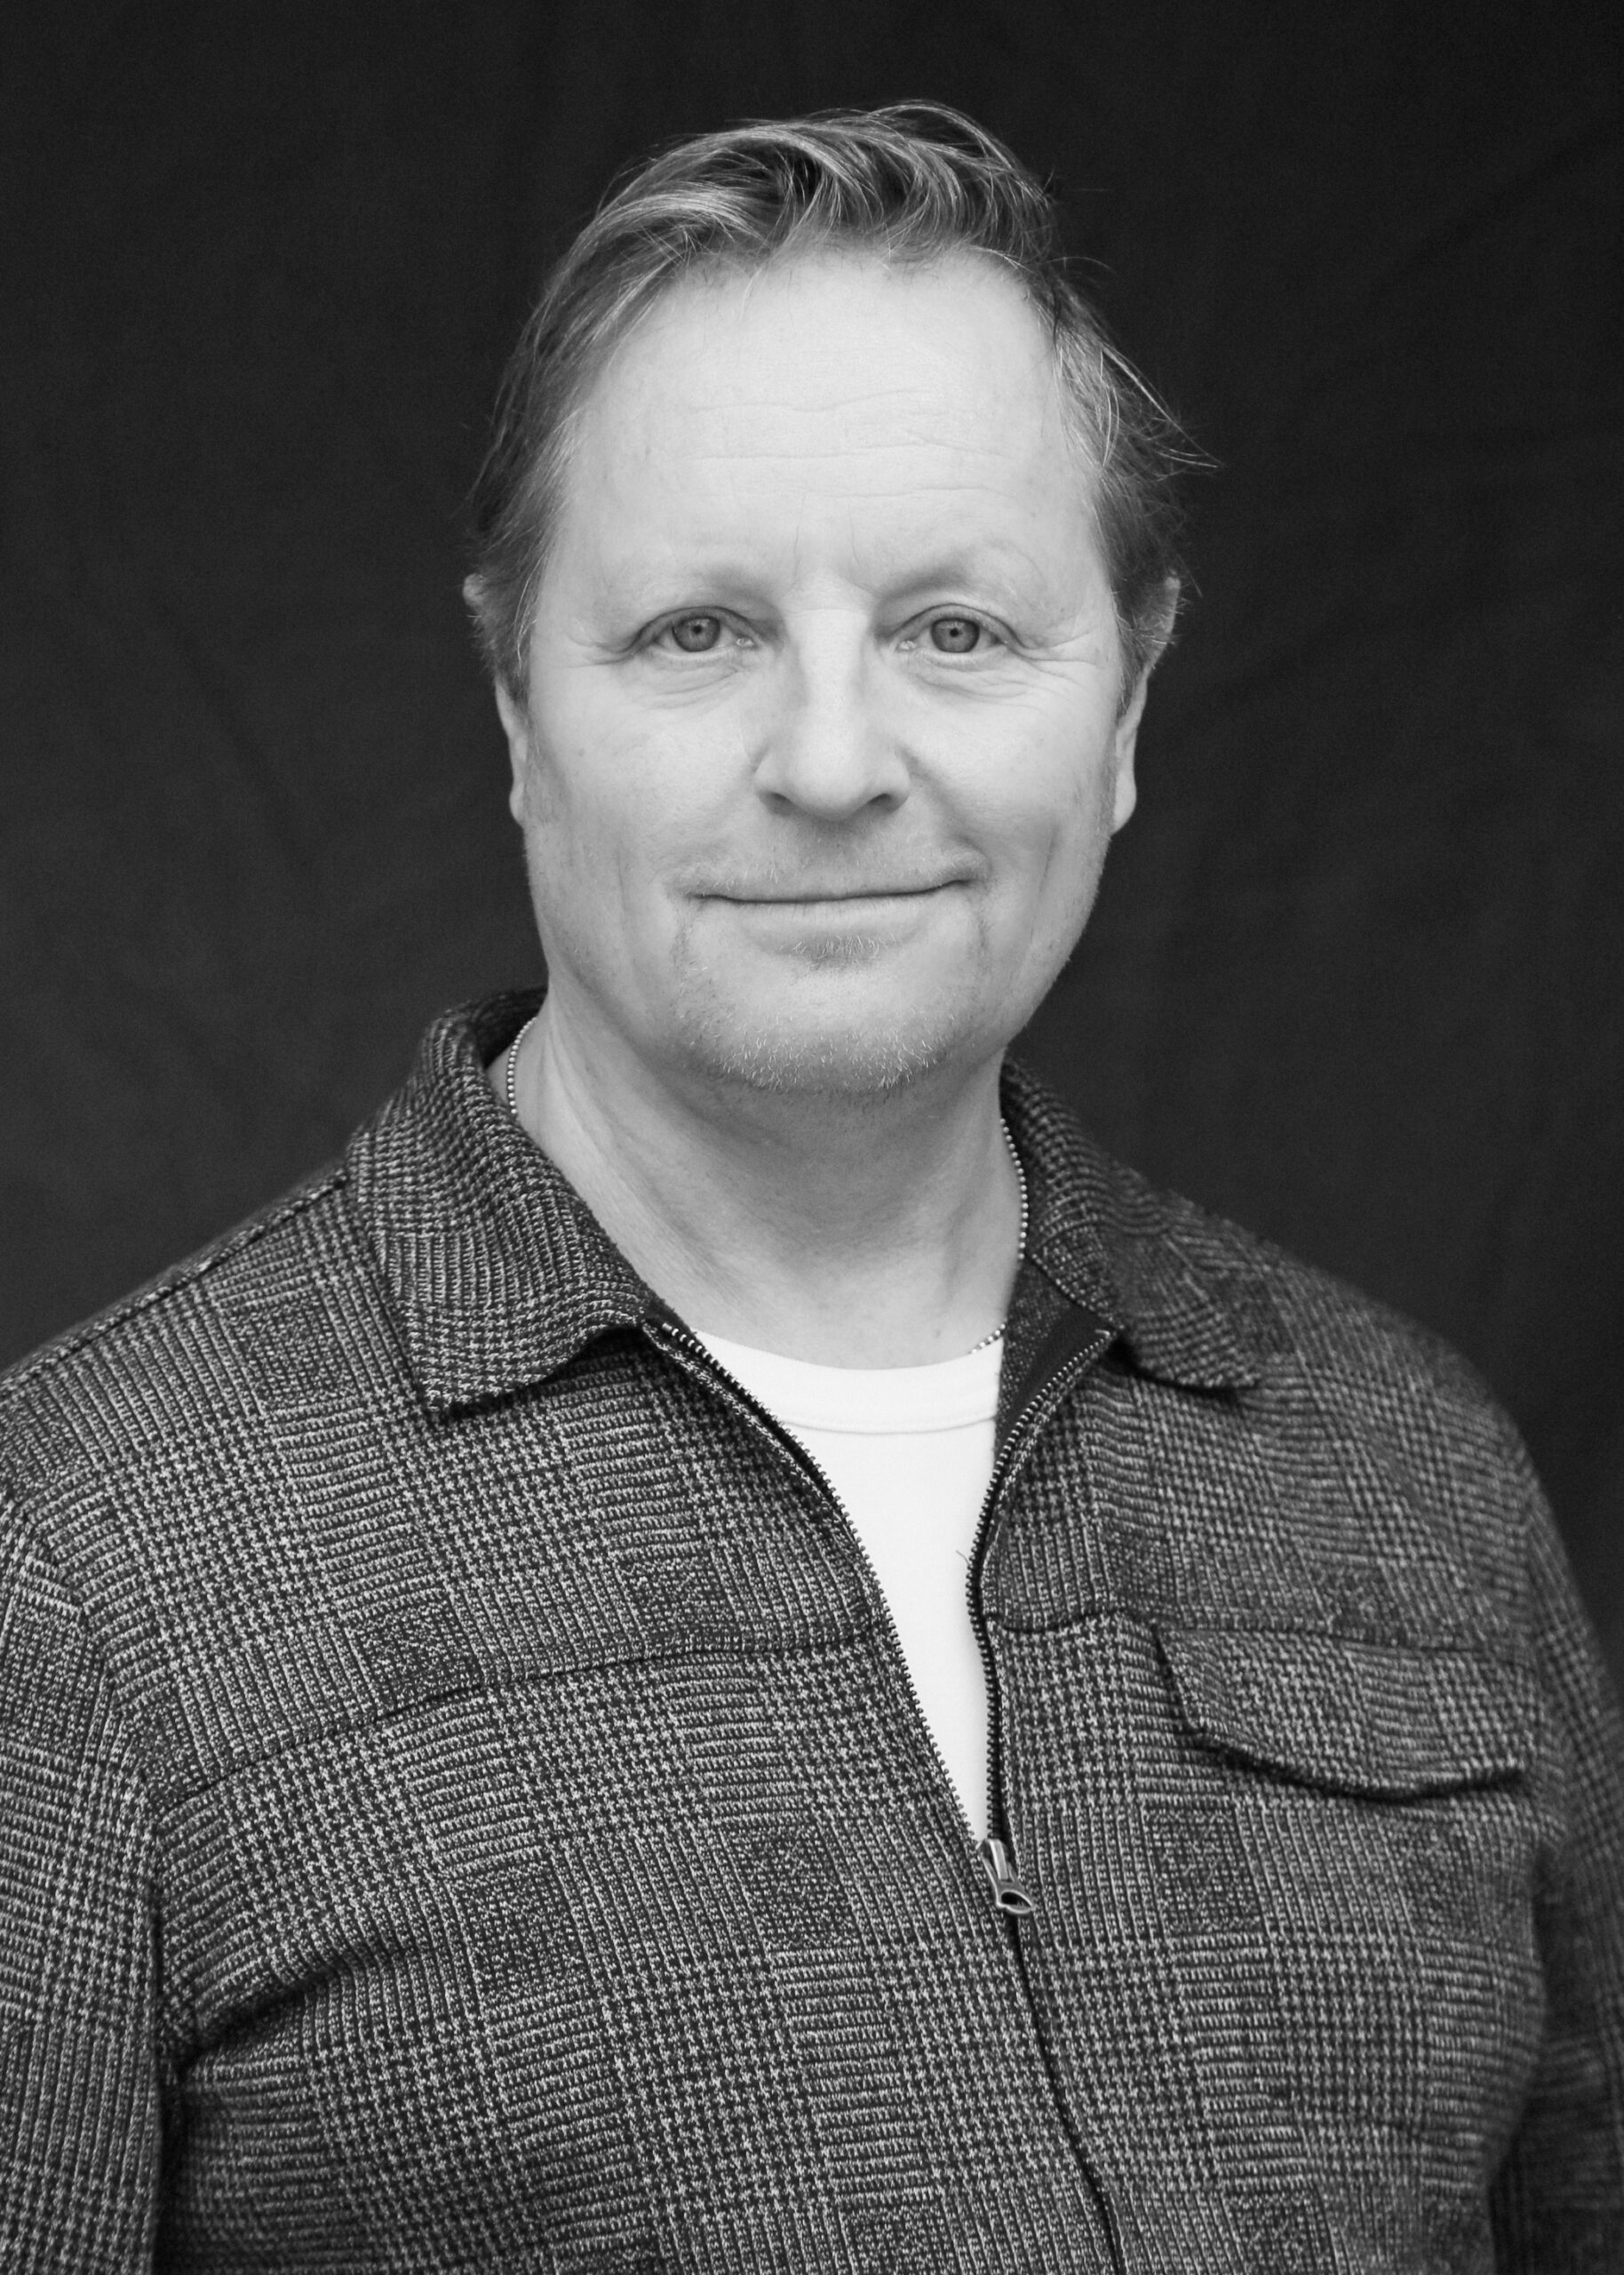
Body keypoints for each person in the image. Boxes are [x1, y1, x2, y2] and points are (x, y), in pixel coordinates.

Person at [2, 102, 1620, 2272]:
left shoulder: (1402, 1475)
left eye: (956, 628)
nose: (835, 760)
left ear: (1128, 703)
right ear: (516, 704)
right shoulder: (77, 1566)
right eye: (697, 631)